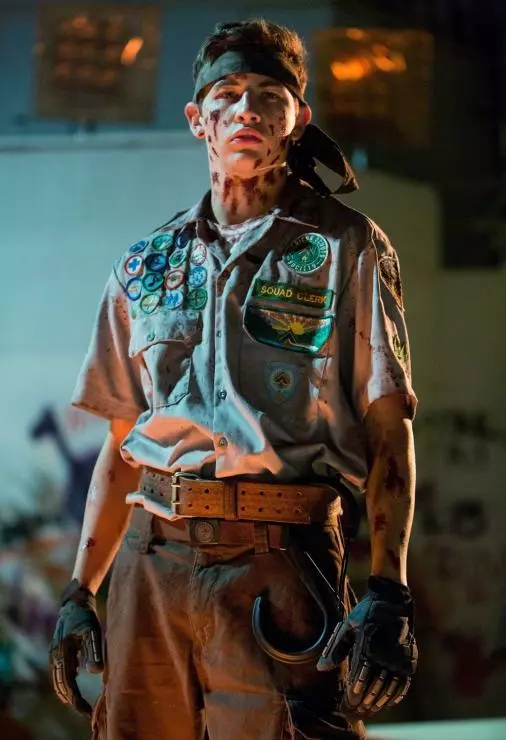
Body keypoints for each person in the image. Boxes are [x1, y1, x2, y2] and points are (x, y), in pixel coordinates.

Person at [49, 19, 418, 740]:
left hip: (279, 562)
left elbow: (388, 427)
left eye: (269, 97)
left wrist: (389, 590)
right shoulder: (146, 266)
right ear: (199, 120)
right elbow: (122, 441)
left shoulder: (344, 247)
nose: (247, 109)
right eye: (228, 94)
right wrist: (78, 591)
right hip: (152, 563)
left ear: (297, 119)